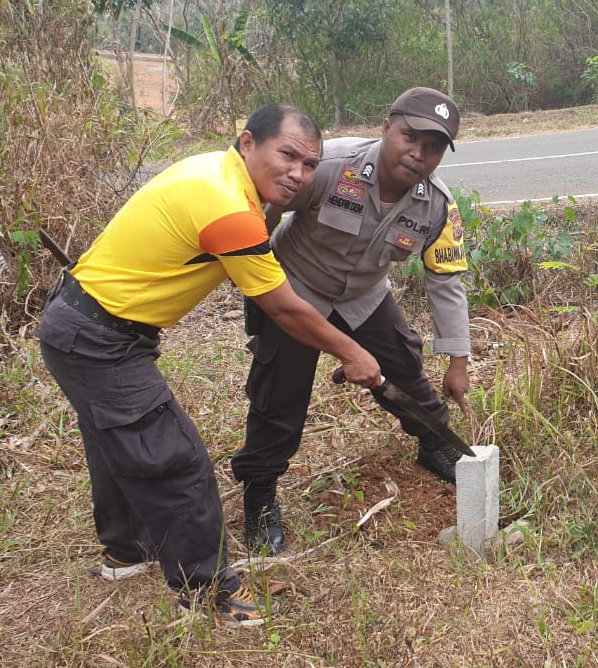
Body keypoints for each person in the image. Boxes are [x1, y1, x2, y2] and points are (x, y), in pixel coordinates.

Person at [36, 104, 381, 627]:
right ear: (248, 144)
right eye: (287, 155)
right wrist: (353, 352)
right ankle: (207, 594)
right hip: (99, 339)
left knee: (115, 440)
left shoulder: (216, 173)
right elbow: (285, 307)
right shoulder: (230, 211)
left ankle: (125, 552)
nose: (298, 174)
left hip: (80, 323)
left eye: (310, 165)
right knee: (175, 461)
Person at [231, 87, 471, 555]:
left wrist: (458, 360)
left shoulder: (436, 206)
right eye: (409, 137)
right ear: (386, 128)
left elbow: (446, 281)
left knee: (405, 366)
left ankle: (434, 441)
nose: (418, 154)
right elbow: (261, 208)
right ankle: (260, 492)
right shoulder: (327, 165)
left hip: (364, 295)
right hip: (296, 288)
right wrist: (258, 273)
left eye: (434, 146)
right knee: (280, 394)